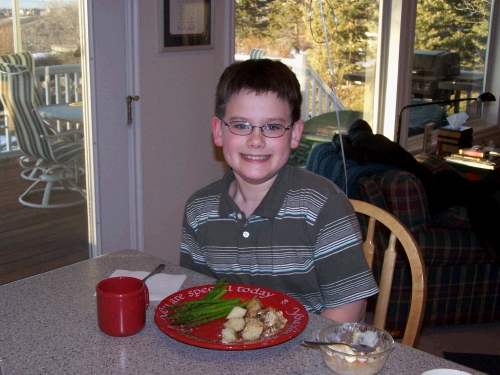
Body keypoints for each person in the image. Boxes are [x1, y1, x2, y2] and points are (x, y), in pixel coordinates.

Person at [180, 59, 378, 323]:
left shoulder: (324, 205)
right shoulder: (199, 211)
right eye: (241, 125)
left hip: (313, 351)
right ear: (219, 131)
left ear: (295, 134)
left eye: (272, 127)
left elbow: (349, 308)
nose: (256, 140)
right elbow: (199, 300)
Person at [334, 119, 500, 259]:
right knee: (472, 191)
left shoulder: (349, 143)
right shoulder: (372, 140)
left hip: (426, 181)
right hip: (429, 189)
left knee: (462, 183)